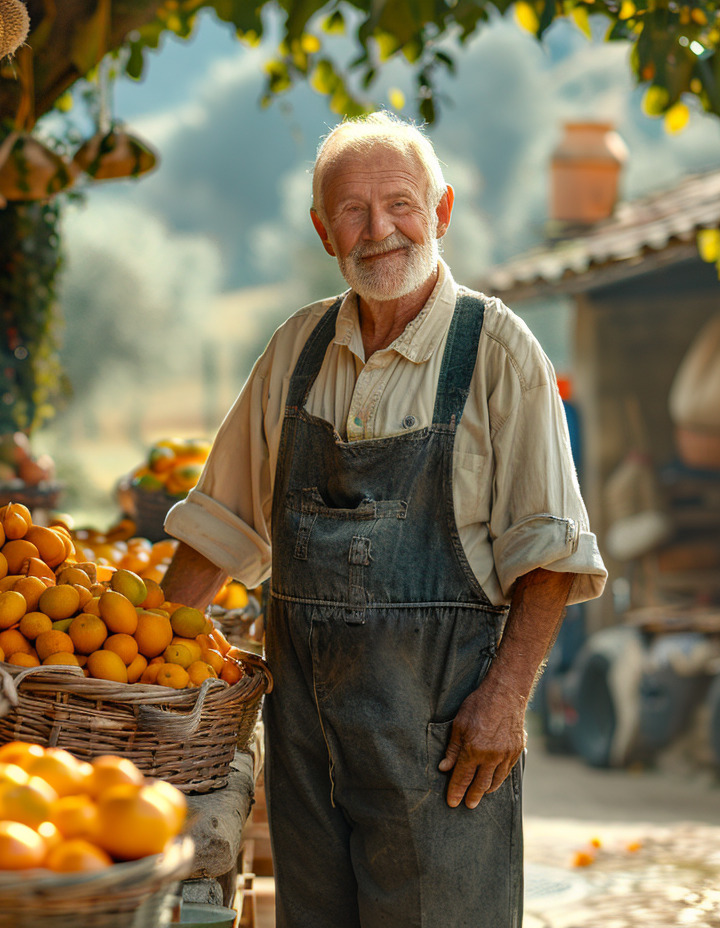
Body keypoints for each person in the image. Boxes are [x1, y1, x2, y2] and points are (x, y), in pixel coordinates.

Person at [160, 112, 607, 927]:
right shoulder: (295, 350)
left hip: (440, 745)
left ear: (439, 213)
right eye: (353, 212)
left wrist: (506, 700)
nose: (379, 231)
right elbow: (217, 527)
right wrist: (140, 668)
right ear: (323, 231)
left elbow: (549, 551)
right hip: (304, 740)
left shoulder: (498, 352)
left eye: (400, 205)